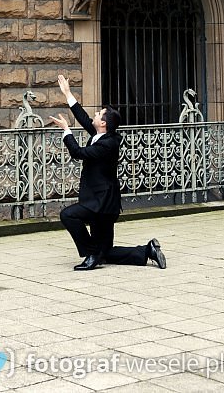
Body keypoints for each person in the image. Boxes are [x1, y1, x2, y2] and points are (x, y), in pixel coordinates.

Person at [50, 74, 167, 271]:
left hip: (101, 203)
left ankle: (91, 254)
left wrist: (66, 131)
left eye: (99, 114)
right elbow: (83, 118)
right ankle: (148, 250)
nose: (95, 115)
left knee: (68, 215)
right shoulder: (100, 136)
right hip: (103, 203)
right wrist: (68, 93)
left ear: (103, 123)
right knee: (105, 252)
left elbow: (78, 153)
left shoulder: (108, 144)